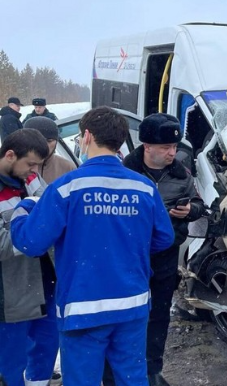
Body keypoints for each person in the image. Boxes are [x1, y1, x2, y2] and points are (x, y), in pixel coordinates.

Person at [10, 106, 175, 386]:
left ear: (86, 137)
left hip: (82, 308)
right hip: (131, 305)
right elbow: (163, 238)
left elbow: (30, 242)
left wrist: (23, 208)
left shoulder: (65, 188)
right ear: (120, 141)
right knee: (132, 378)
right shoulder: (144, 188)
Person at [103, 113, 204, 386]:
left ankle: (152, 370)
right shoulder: (125, 172)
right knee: (122, 315)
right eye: (165, 148)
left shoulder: (181, 172)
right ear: (147, 147)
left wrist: (190, 210)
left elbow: (198, 203)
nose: (172, 153)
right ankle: (112, 373)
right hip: (129, 257)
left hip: (165, 255)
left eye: (174, 147)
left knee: (158, 314)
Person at [0, 129, 56, 386]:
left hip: (46, 280)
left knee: (46, 346)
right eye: (30, 164)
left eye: (38, 165)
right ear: (10, 155)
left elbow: (53, 211)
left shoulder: (30, 179)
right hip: (11, 291)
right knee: (11, 361)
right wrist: (29, 227)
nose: (33, 170)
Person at [24, 116, 76, 184]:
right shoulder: (16, 167)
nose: (44, 145)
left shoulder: (68, 168)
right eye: (38, 141)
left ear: (56, 141)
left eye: (49, 141)